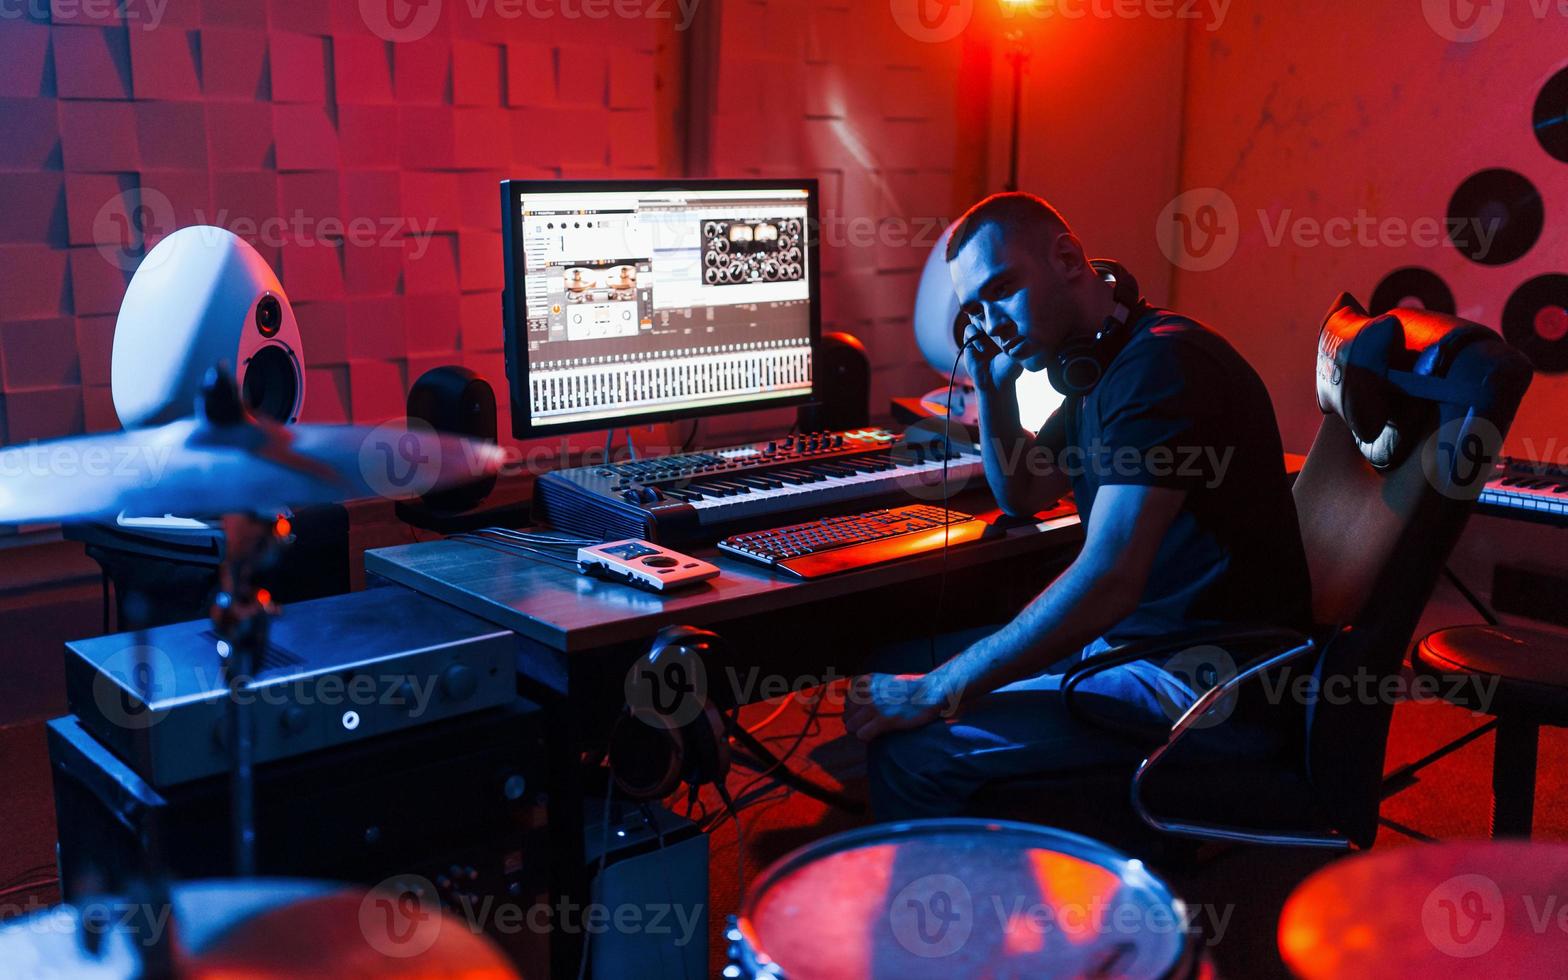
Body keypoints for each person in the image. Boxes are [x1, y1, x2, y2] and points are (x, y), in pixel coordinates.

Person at [845, 192, 1312, 820]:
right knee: (889, 665)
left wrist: (937, 691)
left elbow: (1110, 580)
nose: (990, 324)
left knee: (919, 751)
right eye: (975, 312)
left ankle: (981, 909)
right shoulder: (1104, 365)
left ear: (1067, 258)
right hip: (1135, 649)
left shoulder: (1161, 367)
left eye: (1001, 290)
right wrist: (991, 388)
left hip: (1200, 687)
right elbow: (1025, 490)